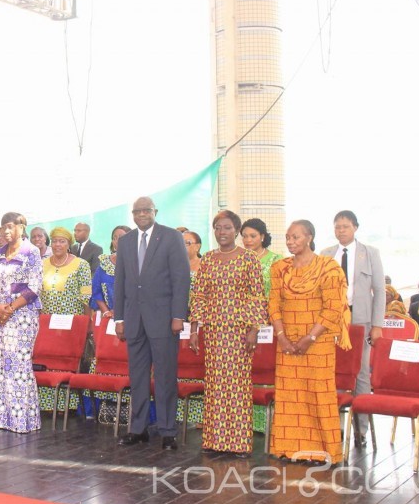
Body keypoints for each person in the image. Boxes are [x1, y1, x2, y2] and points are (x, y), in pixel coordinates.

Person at [269, 220, 350, 464]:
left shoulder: (329, 267)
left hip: (318, 343)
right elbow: (273, 303)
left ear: (309, 237)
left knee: (318, 394)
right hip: (286, 343)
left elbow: (333, 307)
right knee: (290, 396)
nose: (291, 242)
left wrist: (310, 337)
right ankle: (289, 448)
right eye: (288, 238)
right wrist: (282, 337)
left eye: (296, 237)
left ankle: (323, 451)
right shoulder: (279, 268)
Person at [189, 210, 268, 456]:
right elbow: (199, 295)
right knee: (214, 386)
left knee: (237, 386)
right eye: (217, 228)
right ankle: (214, 441)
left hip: (239, 332)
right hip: (213, 332)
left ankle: (239, 444)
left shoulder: (248, 259)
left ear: (236, 231)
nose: (221, 232)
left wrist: (254, 329)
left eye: (226, 228)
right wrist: (194, 328)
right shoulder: (209, 259)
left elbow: (256, 295)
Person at [114, 197, 190, 450]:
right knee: (137, 377)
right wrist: (120, 318)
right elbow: (121, 282)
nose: (142, 214)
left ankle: (168, 431)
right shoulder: (125, 242)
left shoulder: (171, 237)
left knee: (166, 377)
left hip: (165, 321)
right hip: (134, 320)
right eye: (137, 211)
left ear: (155, 212)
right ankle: (138, 429)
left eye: (147, 210)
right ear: (132, 214)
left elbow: (181, 279)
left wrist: (179, 315)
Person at [319, 210, 384, 447]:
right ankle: (334, 425)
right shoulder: (326, 254)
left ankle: (361, 427)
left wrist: (377, 325)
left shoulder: (370, 253)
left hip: (360, 319)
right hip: (332, 320)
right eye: (337, 227)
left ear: (355, 227)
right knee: (334, 369)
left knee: (361, 372)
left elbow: (379, 290)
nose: (340, 231)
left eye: (345, 226)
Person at [0, 211, 43, 433]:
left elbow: (34, 287)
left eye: (10, 226)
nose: (6, 231)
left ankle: (21, 420)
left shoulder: (32, 252)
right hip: (0, 316)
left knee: (18, 365)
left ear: (22, 227)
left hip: (23, 316)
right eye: (3, 228)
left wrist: (9, 308)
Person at [38, 226, 91, 412]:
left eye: (62, 241)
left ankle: (66, 405)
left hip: (71, 323)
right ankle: (45, 405)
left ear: (69, 244)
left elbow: (86, 295)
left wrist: (87, 323)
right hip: (46, 321)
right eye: (55, 241)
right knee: (47, 359)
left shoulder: (81, 264)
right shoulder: (42, 264)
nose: (58, 245)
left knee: (66, 361)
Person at [84, 224, 130, 419]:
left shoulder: (140, 263)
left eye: (124, 237)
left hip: (131, 319)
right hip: (106, 319)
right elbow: (95, 292)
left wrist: (123, 314)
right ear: (112, 241)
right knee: (102, 359)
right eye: (116, 237)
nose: (119, 240)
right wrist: (106, 311)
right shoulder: (103, 263)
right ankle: (97, 410)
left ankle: (130, 411)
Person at [240, 218, 283, 297]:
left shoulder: (277, 260)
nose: (248, 240)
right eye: (244, 236)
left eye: (253, 236)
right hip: (243, 308)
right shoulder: (238, 260)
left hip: (270, 307)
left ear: (262, 236)